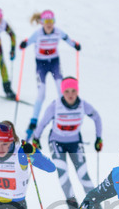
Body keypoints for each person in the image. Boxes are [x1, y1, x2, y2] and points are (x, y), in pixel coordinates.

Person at [28, 76, 106, 209]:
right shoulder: (55, 105)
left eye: (73, 91)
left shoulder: (83, 105)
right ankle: (72, 205)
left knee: (83, 174)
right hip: (56, 143)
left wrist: (98, 138)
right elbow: (43, 122)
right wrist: (36, 138)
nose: (70, 95)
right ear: (62, 92)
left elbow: (97, 118)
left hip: (75, 143)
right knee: (63, 173)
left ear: (77, 92)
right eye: (67, 91)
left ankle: (94, 205)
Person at [19, 10, 80, 139]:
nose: (49, 24)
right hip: (41, 65)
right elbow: (27, 43)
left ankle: (64, 117)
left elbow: (67, 39)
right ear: (42, 22)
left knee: (61, 90)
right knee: (41, 94)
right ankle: (33, 122)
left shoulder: (58, 32)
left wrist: (75, 45)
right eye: (46, 22)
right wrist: (23, 45)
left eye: (51, 21)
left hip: (54, 63)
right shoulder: (38, 34)